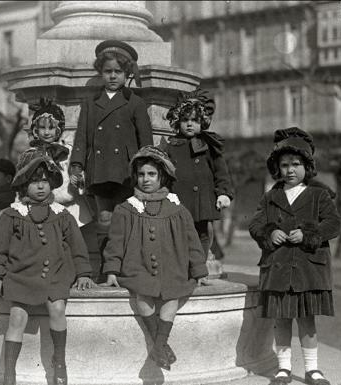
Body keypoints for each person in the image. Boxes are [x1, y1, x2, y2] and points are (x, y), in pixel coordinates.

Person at [0, 150, 93, 385]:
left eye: (44, 181)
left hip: (56, 274)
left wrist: (83, 273)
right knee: (17, 317)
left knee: (57, 309)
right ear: (24, 185)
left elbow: (78, 247)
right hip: (21, 275)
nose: (41, 187)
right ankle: (9, 373)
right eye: (34, 181)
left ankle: (60, 362)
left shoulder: (62, 214)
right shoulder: (12, 215)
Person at [101, 146, 208, 371]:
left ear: (162, 177)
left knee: (172, 297)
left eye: (151, 174)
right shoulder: (126, 208)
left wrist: (198, 270)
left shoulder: (177, 208)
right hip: (137, 266)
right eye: (141, 174)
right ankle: (161, 348)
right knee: (143, 296)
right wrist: (112, 270)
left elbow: (192, 242)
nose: (146, 179)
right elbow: (115, 242)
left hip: (172, 265)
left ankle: (158, 346)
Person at [248, 127, 340, 385]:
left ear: (307, 166)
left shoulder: (319, 195)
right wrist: (270, 231)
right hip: (278, 268)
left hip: (308, 269)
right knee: (282, 320)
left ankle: (312, 369)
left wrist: (310, 233)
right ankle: (284, 369)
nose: (290, 170)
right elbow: (255, 224)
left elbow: (333, 224)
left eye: (296, 164)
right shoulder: (270, 197)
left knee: (307, 320)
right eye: (285, 164)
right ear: (277, 168)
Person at [69, 40, 153, 278]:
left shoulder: (135, 102)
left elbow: (145, 141)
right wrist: (77, 166)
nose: (113, 76)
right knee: (104, 219)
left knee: (127, 220)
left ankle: (126, 268)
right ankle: (107, 269)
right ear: (100, 73)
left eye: (118, 71)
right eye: (108, 72)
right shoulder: (91, 103)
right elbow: (82, 138)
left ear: (127, 74)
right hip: (100, 170)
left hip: (127, 173)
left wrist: (146, 171)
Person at [160, 89, 234, 265]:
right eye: (185, 120)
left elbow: (220, 171)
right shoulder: (170, 147)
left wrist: (223, 193)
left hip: (203, 199)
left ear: (203, 122)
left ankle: (199, 267)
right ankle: (183, 267)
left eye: (194, 120)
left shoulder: (208, 145)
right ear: (178, 121)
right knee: (180, 234)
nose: (189, 124)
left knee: (203, 233)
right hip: (180, 200)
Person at [23, 99, 93, 227]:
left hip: (73, 211)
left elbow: (82, 172)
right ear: (35, 130)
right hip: (45, 211)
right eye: (42, 128)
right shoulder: (31, 155)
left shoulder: (69, 151)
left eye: (51, 128)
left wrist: (78, 180)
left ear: (59, 129)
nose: (46, 132)